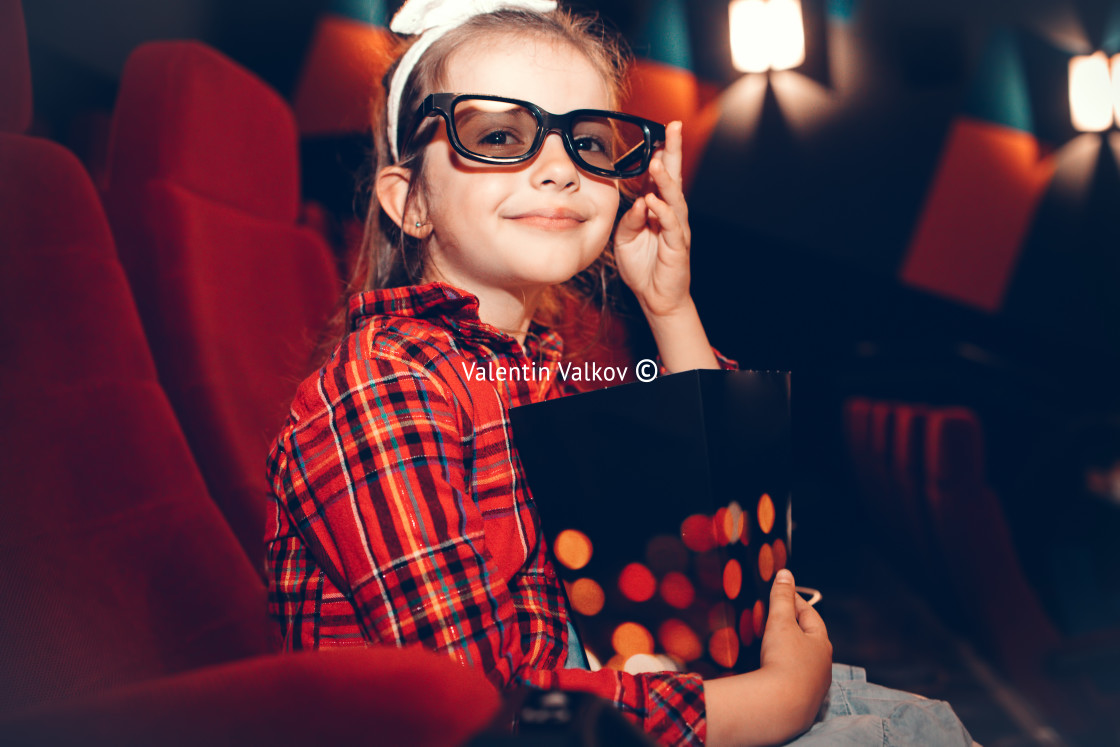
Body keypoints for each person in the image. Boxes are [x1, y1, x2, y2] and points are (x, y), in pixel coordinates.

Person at [265, 2, 975, 744]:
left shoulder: (543, 368)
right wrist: (769, 705)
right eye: (500, 135)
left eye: (589, 142)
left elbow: (733, 517)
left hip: (587, 691)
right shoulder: (383, 390)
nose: (560, 169)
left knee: (920, 723)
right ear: (409, 203)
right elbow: (482, 711)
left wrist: (669, 306)